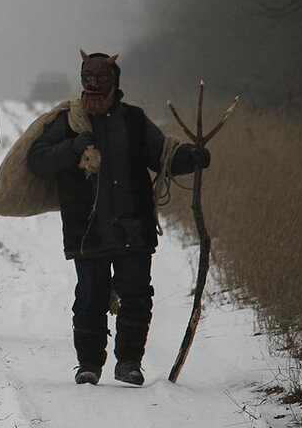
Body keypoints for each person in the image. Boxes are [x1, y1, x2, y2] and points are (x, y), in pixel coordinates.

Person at [23, 51, 211, 386]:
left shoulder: (134, 120)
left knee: (137, 295)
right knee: (90, 297)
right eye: (87, 78)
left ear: (115, 81)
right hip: (87, 230)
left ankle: (129, 364)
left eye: (101, 78)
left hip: (133, 226)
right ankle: (89, 365)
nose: (93, 85)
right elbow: (37, 162)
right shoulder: (66, 122)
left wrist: (192, 157)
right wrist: (72, 148)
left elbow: (163, 156)